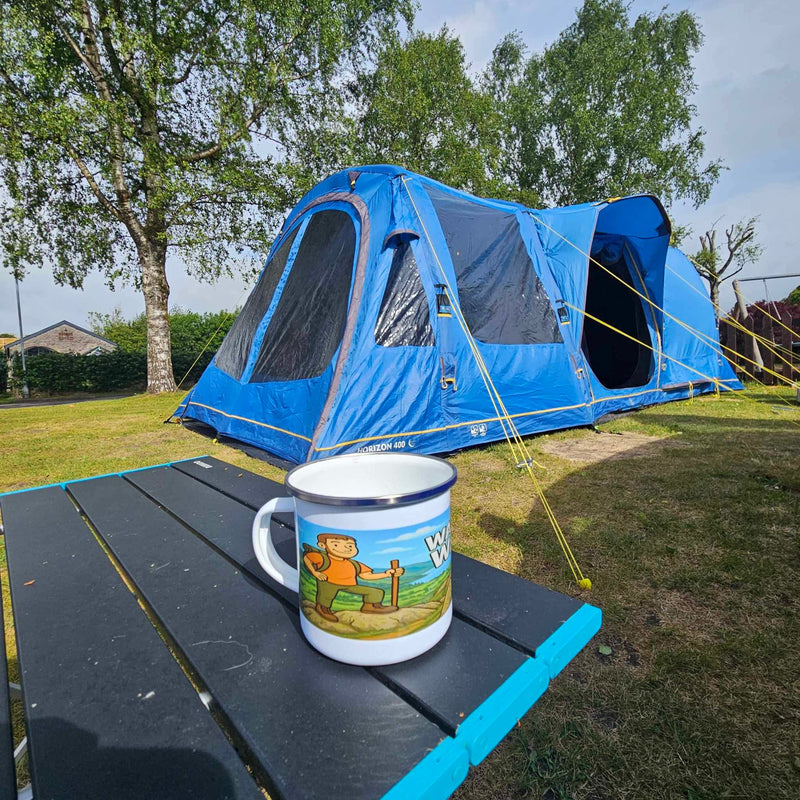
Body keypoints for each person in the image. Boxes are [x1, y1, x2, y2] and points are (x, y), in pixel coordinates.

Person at [302, 533, 404, 623]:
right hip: (329, 582)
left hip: (350, 585)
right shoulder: (323, 558)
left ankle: (371, 607)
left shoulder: (354, 564)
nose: (346, 548)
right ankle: (323, 608)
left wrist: (387, 574)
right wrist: (315, 572)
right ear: (322, 545)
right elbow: (307, 558)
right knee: (326, 595)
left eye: (350, 546)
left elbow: (366, 576)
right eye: (336, 544)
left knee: (375, 591)